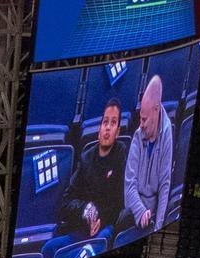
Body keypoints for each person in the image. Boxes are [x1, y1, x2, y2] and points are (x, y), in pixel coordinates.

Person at [57, 99, 128, 240]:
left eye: (113, 123)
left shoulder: (121, 153)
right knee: (50, 247)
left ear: (118, 132)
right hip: (83, 226)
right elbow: (66, 202)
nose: (108, 127)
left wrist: (100, 218)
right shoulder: (86, 158)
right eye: (105, 122)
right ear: (99, 130)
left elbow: (120, 201)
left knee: (103, 238)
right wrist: (86, 209)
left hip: (107, 225)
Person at [121, 75, 179, 238]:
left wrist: (158, 228)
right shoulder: (137, 137)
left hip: (153, 214)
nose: (141, 124)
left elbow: (164, 185)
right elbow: (129, 186)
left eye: (144, 119)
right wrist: (140, 211)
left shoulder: (167, 134)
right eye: (140, 118)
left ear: (156, 110)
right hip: (132, 210)